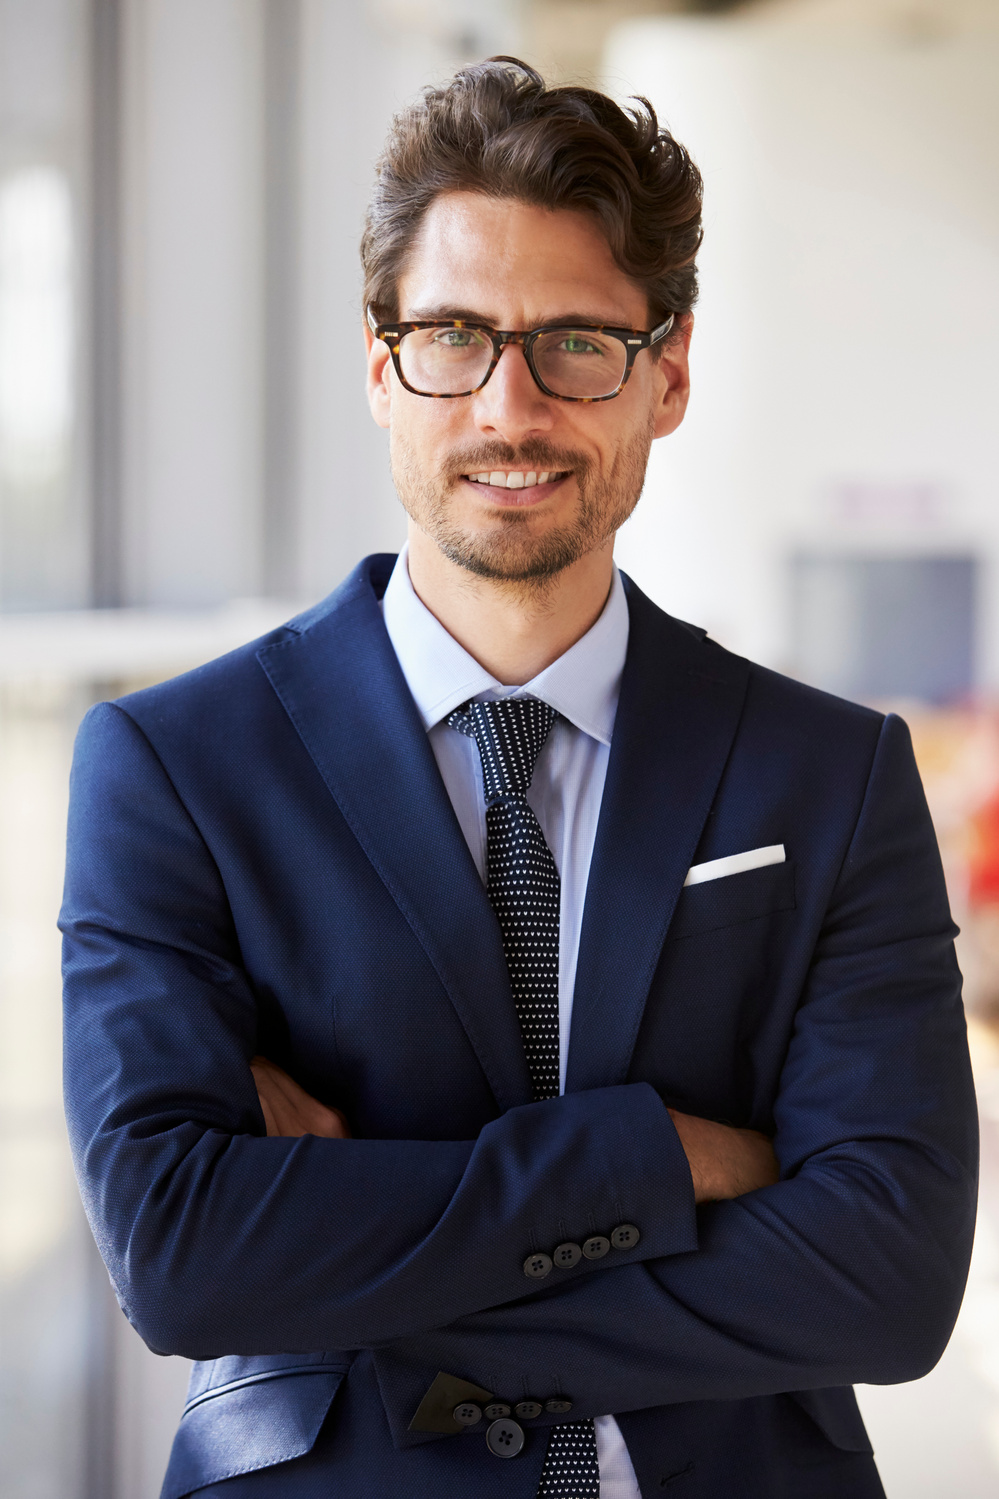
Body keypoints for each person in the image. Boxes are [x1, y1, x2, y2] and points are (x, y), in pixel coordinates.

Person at [61, 58, 977, 1499]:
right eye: (453, 338)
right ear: (380, 365)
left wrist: (350, 1261)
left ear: (665, 376)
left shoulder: (832, 773)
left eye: (576, 344)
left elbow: (886, 1278)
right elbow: (182, 1257)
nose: (511, 406)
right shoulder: (174, 769)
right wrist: (650, 1161)